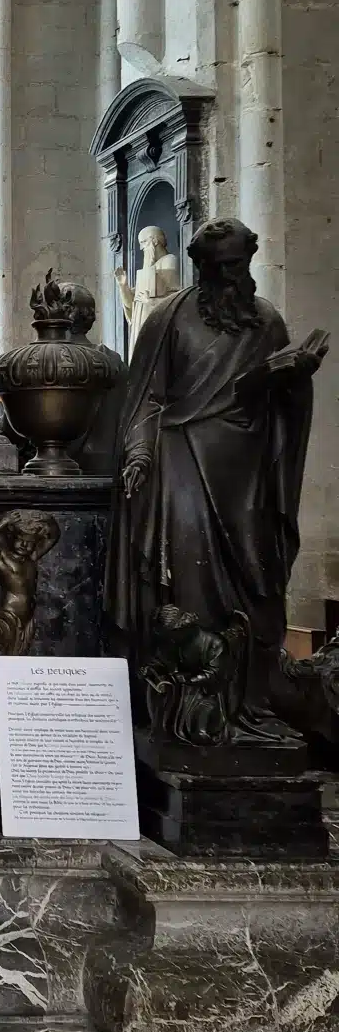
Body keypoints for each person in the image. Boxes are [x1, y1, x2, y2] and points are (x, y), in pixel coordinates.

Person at [107, 217, 327, 704]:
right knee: (189, 572)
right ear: (201, 266)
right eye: (221, 267)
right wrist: (140, 452)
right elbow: (145, 396)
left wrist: (291, 377)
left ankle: (248, 694)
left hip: (248, 473)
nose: (232, 276)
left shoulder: (267, 321)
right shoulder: (168, 318)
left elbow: (279, 403)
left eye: (239, 265)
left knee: (255, 573)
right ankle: (191, 696)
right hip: (182, 462)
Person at [113, 224, 180, 351]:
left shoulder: (169, 260)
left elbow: (176, 297)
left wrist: (152, 302)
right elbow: (132, 308)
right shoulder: (147, 269)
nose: (141, 247)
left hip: (157, 327)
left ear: (154, 240)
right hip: (141, 326)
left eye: (143, 242)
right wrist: (123, 286)